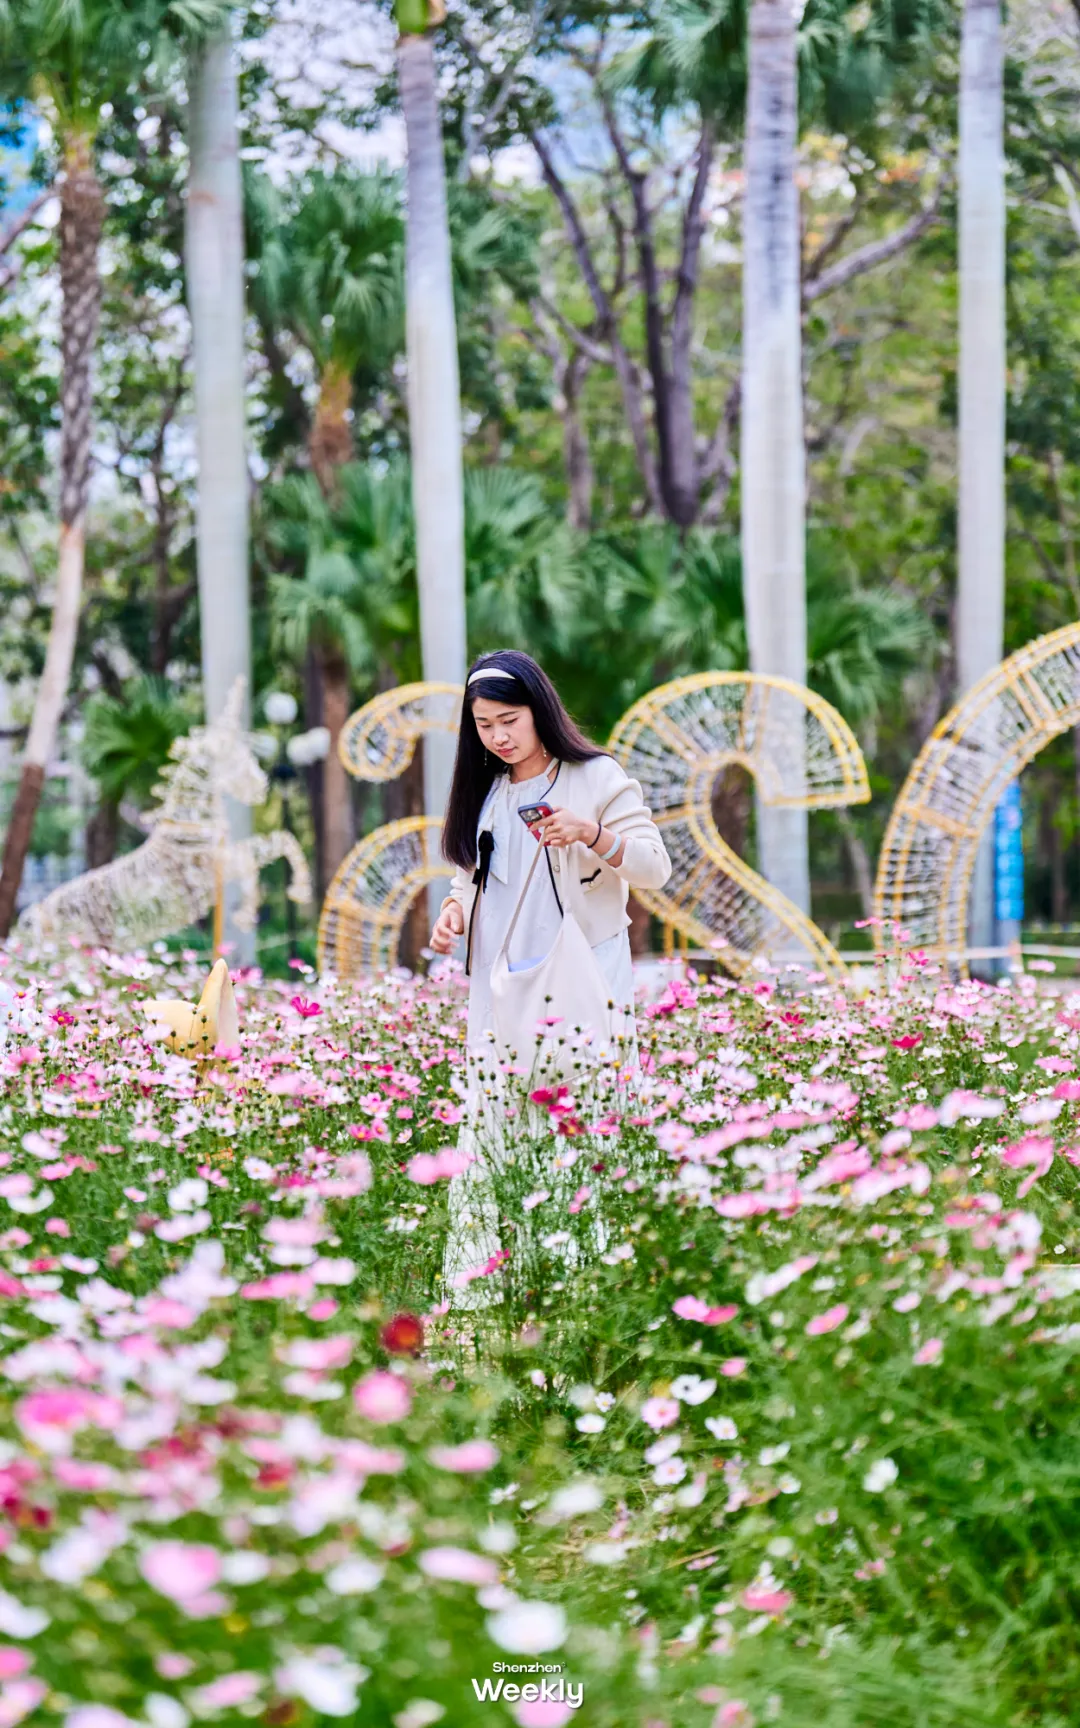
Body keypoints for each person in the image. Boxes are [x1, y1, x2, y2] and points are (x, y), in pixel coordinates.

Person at [429, 649, 672, 1055]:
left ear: (539, 710)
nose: (498, 736)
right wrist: (454, 911)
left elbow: (655, 868)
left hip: (582, 968)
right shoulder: (485, 789)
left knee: (588, 1081)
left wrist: (590, 833)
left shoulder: (596, 775)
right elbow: (472, 879)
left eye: (509, 720)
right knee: (505, 1085)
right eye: (484, 725)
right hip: (499, 976)